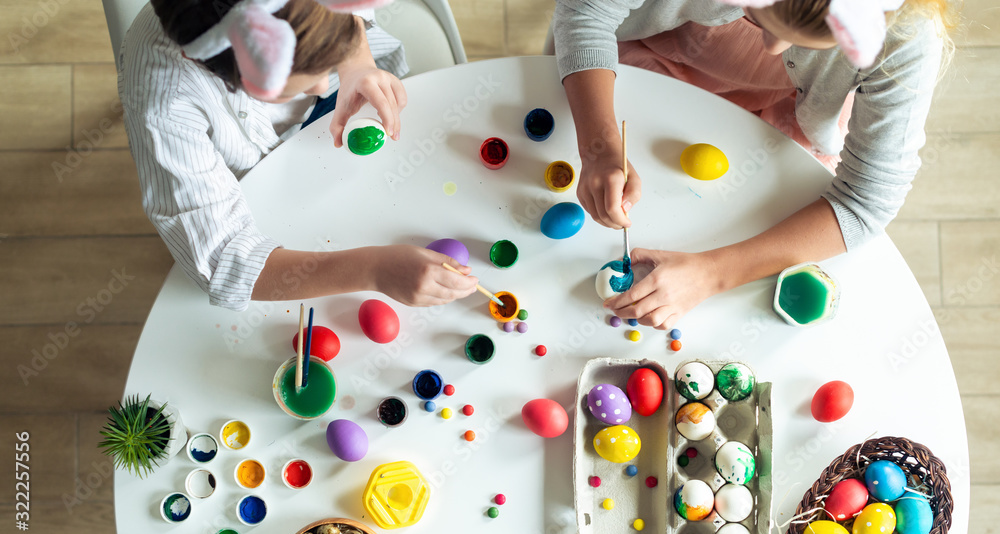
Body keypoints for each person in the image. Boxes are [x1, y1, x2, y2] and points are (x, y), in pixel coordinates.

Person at [553, 0, 959, 329]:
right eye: (755, 13)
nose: (773, 47)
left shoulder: (904, 32)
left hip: (786, 116)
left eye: (816, 39)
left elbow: (866, 201)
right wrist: (598, 144)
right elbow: (586, 11)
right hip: (648, 56)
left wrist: (712, 274)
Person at [120, 0, 478, 311]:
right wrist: (374, 270)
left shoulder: (328, 61)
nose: (322, 86)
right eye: (298, 84)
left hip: (340, 118)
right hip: (259, 184)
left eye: (325, 66)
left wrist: (355, 61)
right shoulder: (164, 99)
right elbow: (224, 259)